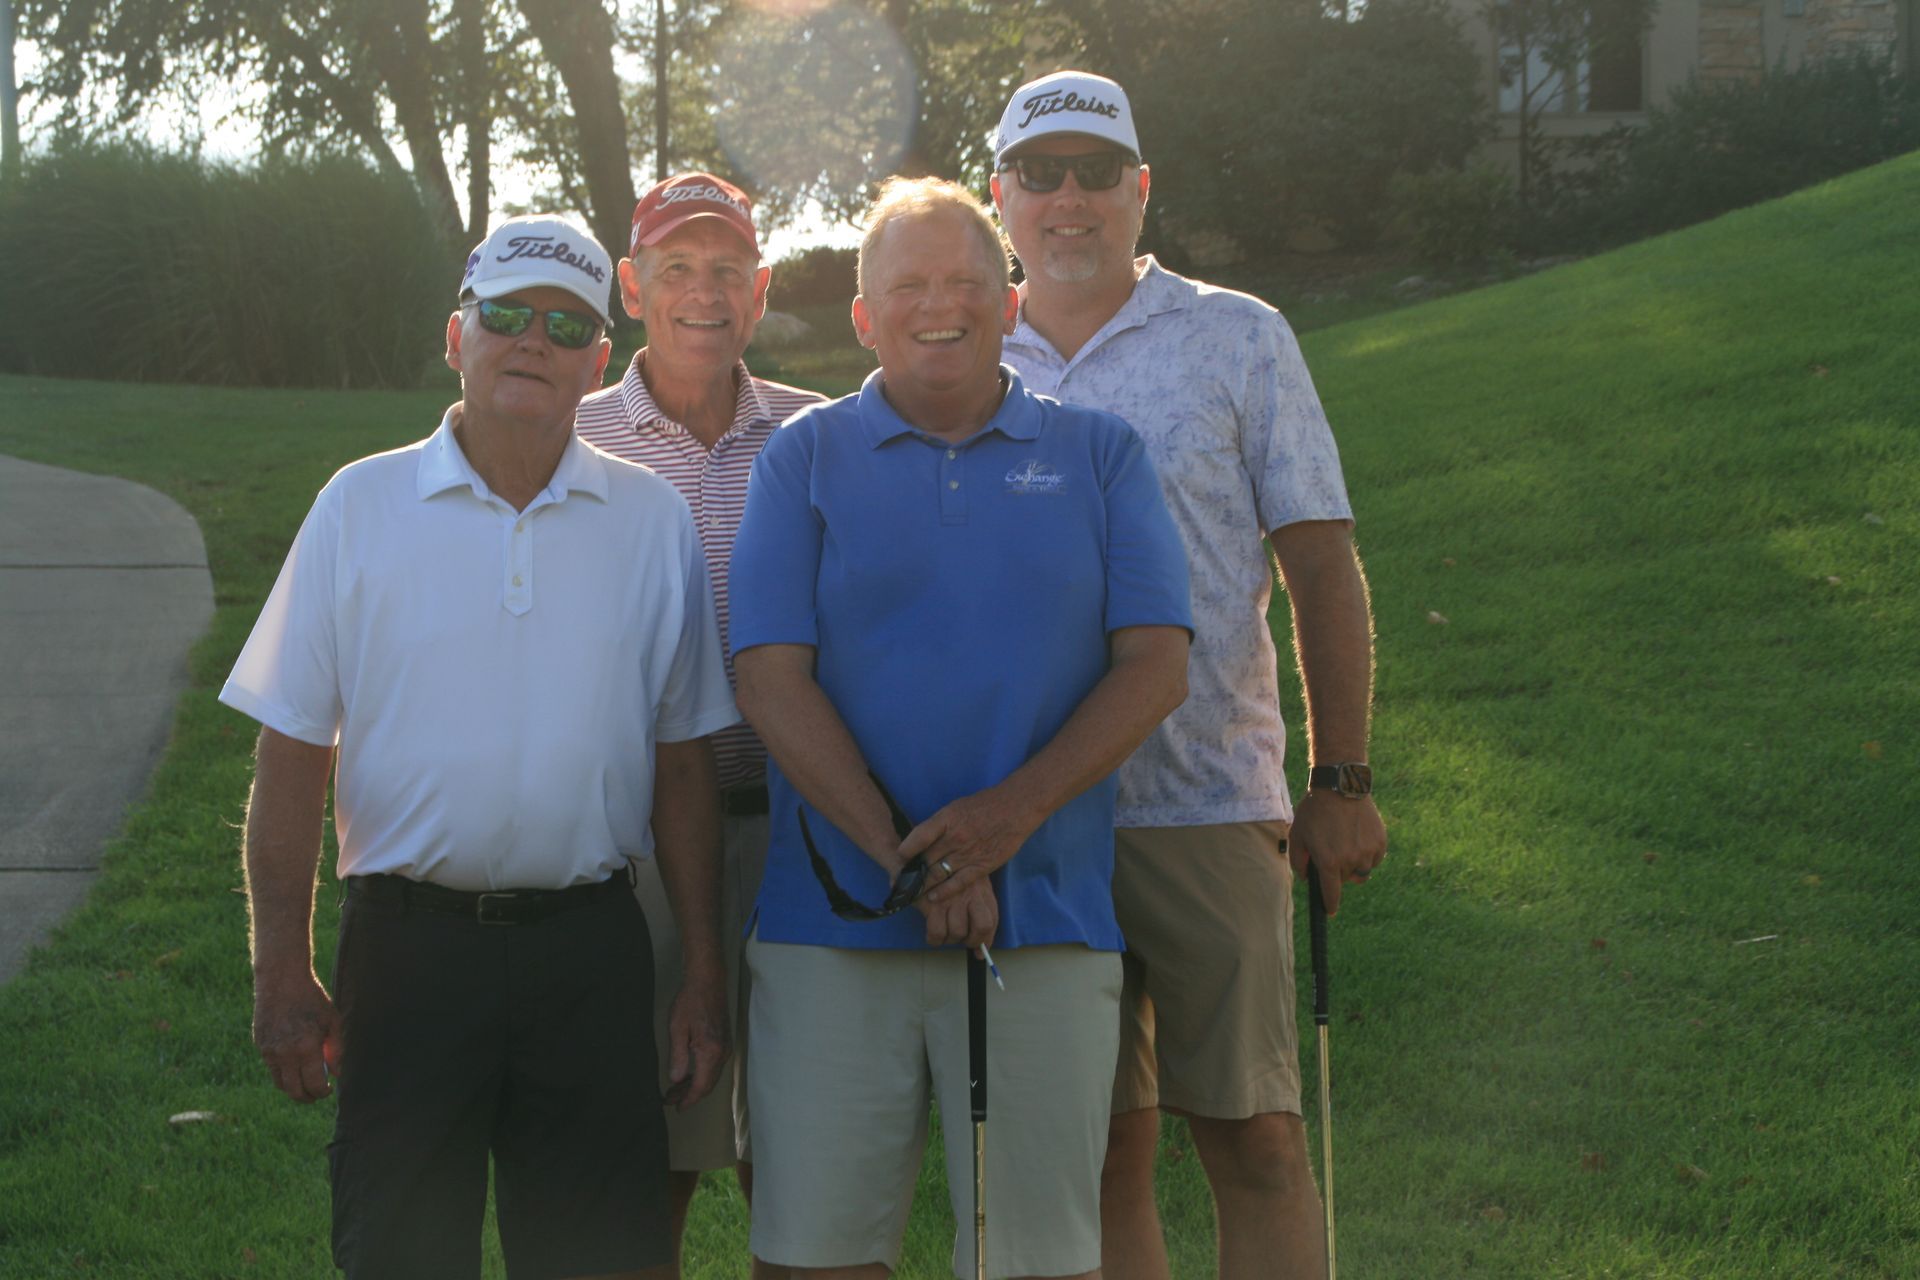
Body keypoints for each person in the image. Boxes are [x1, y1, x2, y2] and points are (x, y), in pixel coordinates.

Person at [222, 213, 739, 1280]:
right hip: (410, 956)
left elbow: (683, 760)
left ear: (599, 357)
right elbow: (290, 749)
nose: (531, 341)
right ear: (456, 334)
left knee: (603, 1259)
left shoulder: (649, 522)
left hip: (589, 954)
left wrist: (697, 971)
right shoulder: (359, 504)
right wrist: (281, 963)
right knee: (403, 1254)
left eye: (564, 324)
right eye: (504, 314)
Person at [728, 177, 1193, 1280]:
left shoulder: (1101, 454)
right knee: (812, 1261)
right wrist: (923, 861)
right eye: (908, 286)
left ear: (1010, 299)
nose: (939, 305)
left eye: (966, 282)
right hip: (831, 925)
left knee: (1035, 1262)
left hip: (1044, 919)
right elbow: (768, 675)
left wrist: (996, 826)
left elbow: (1157, 665)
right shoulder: (800, 458)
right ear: (863, 317)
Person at [988, 71, 1390, 1280]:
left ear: (1139, 189)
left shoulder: (1239, 334)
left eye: (1096, 171)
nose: (1069, 198)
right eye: (1040, 172)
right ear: (999, 195)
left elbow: (1321, 563)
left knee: (1255, 1137)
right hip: (1040, 819)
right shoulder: (960, 347)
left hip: (1210, 800)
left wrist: (1343, 776)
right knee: (1101, 1149)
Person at [573, 171, 825, 1272]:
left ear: (760, 290)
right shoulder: (568, 434)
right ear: (633, 287)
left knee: (805, 1152)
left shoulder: (821, 437)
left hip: (798, 828)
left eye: (728, 270)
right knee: (651, 1154)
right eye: (677, 268)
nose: (703, 294)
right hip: (633, 841)